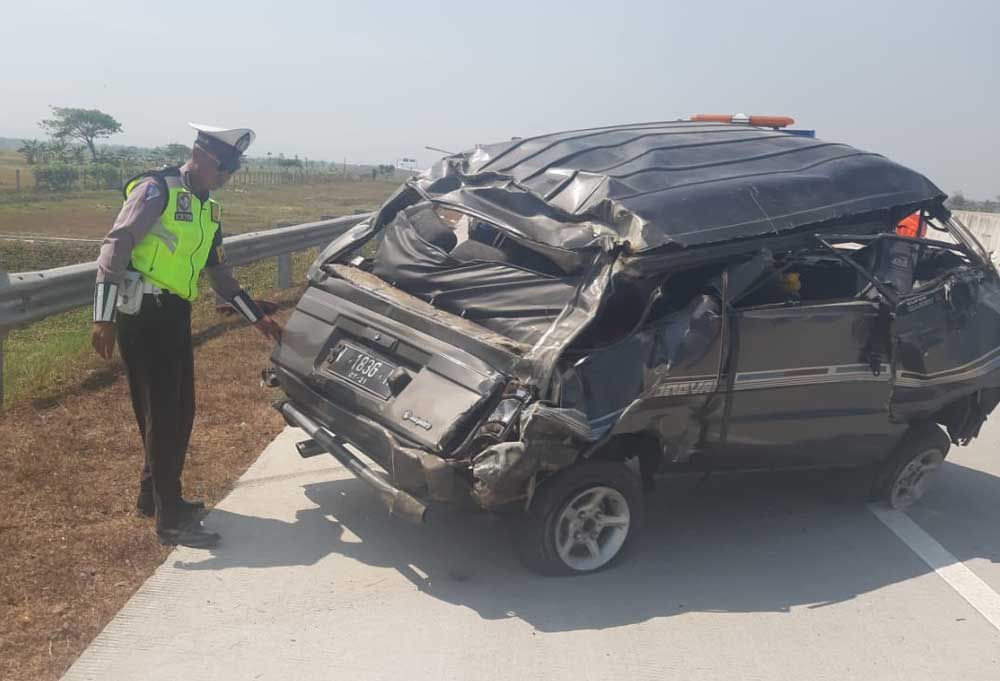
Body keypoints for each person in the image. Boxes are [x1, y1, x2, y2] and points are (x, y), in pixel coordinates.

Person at [91, 123, 282, 548]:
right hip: (141, 314)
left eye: (234, 168)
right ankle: (170, 517)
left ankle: (151, 497)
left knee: (178, 412)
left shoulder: (208, 209)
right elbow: (115, 248)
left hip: (174, 312)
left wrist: (257, 318)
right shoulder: (156, 190)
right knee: (164, 413)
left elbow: (221, 276)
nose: (228, 175)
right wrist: (102, 317)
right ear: (199, 155)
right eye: (224, 165)